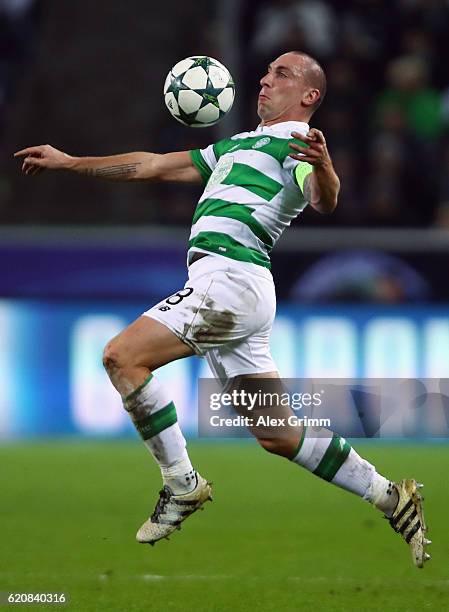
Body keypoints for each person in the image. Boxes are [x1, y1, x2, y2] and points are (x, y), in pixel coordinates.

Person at [14, 51, 430, 567]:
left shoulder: (299, 144)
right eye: (266, 72)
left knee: (123, 356)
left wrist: (324, 168)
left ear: (309, 96)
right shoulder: (236, 145)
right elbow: (151, 165)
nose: (264, 79)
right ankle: (391, 496)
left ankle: (181, 484)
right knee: (277, 433)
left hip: (230, 279)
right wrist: (69, 162)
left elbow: (324, 201)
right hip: (234, 287)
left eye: (281, 74)